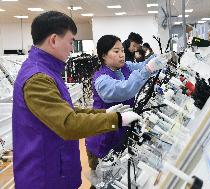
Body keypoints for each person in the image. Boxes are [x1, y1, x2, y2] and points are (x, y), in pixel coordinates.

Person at [12, 11, 141, 189]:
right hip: (44, 177)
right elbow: (68, 123)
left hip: (55, 170)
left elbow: (68, 110)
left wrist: (105, 113)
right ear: (54, 40)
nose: (72, 49)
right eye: (71, 42)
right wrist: (116, 120)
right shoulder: (38, 78)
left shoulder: (46, 72)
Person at [85, 35, 171, 187]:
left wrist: (157, 59)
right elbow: (125, 90)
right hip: (102, 140)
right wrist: (148, 69)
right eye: (116, 51)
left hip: (119, 135)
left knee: (119, 179)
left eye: (123, 50)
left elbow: (143, 66)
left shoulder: (124, 67)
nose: (121, 54)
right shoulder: (102, 80)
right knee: (103, 183)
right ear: (104, 55)